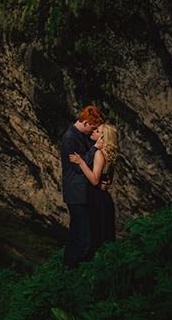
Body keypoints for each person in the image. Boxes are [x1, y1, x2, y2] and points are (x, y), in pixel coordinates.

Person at [60, 106, 104, 269]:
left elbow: (85, 163)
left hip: (83, 192)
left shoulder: (81, 135)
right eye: (92, 127)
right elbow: (78, 167)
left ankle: (66, 270)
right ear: (85, 123)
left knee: (75, 236)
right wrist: (94, 148)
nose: (93, 131)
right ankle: (73, 273)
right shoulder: (70, 137)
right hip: (76, 194)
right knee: (84, 240)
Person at [69, 123, 119, 261]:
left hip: (96, 198)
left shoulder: (99, 153)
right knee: (103, 234)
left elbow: (95, 180)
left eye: (97, 131)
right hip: (104, 198)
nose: (93, 131)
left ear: (103, 137)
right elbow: (108, 178)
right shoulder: (109, 154)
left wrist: (81, 162)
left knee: (94, 234)